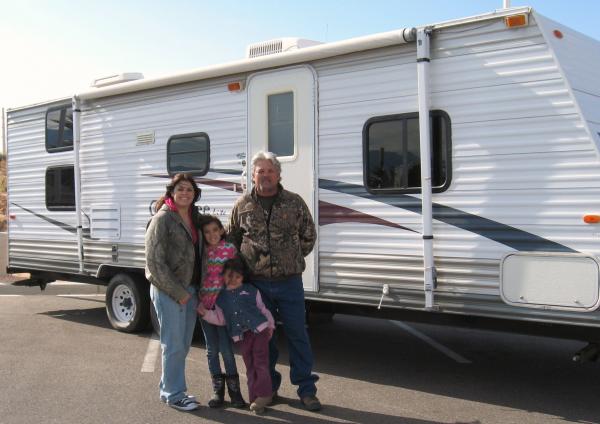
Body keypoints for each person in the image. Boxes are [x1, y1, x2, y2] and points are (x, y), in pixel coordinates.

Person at [228, 151, 321, 411]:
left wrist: (288, 258)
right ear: (253, 175)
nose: (266, 175)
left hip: (289, 282)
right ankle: (268, 388)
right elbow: (232, 240)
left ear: (279, 174)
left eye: (270, 171)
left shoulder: (294, 202)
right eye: (260, 171)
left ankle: (306, 389)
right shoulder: (242, 205)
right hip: (256, 285)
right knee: (263, 339)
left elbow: (308, 236)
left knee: (297, 335)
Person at [145, 173, 204, 412]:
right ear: (171, 192)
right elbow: (154, 263)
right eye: (181, 189)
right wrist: (178, 292)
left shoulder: (194, 217)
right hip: (169, 290)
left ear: (195, 194)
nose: (185, 193)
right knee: (173, 344)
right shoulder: (162, 219)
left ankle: (169, 387)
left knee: (183, 344)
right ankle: (174, 394)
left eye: (189, 190)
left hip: (190, 289)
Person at [198, 258, 275, 414]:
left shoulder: (251, 290)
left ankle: (265, 394)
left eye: (237, 277)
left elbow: (263, 310)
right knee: (250, 367)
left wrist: (271, 325)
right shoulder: (221, 298)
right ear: (223, 276)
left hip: (260, 331)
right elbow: (220, 319)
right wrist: (205, 313)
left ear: (243, 277)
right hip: (242, 337)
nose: (233, 280)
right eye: (229, 276)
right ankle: (255, 399)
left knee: (260, 363)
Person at [197, 216, 245, 408]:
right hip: (204, 307)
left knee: (226, 349)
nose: (212, 235)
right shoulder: (202, 252)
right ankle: (218, 392)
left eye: (215, 230)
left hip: (224, 308)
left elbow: (237, 277)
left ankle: (236, 393)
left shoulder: (230, 250)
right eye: (207, 232)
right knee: (211, 350)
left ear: (221, 230)